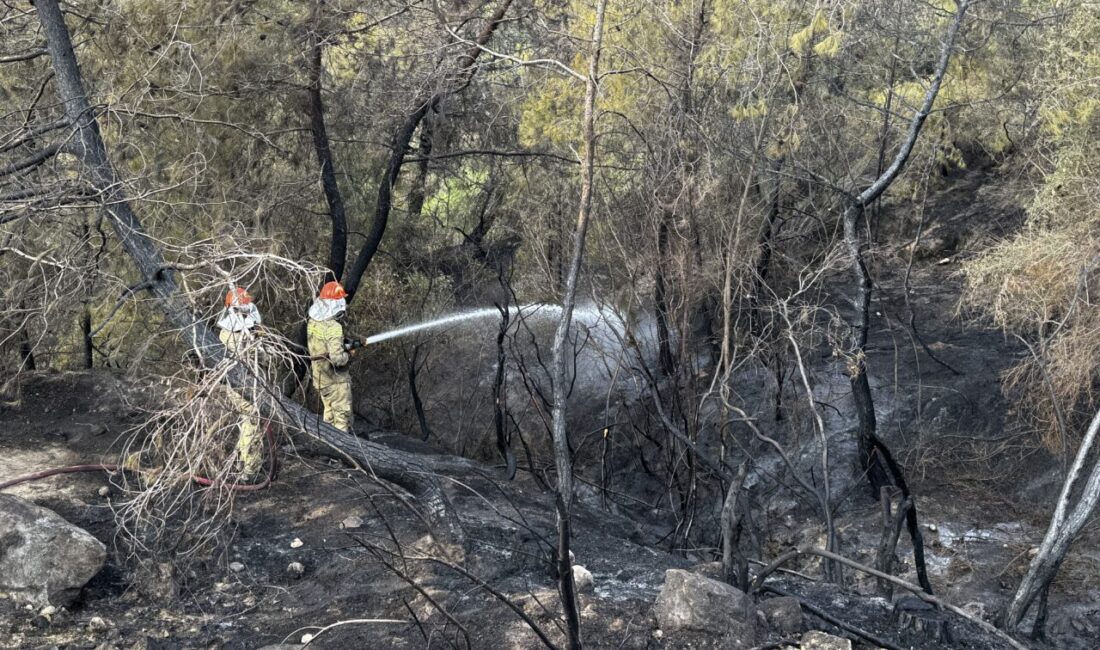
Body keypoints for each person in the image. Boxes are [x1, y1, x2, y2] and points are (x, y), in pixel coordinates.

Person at [216, 286, 264, 478]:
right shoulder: (242, 335)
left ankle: (240, 462)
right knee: (252, 423)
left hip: (235, 388)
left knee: (245, 423)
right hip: (245, 387)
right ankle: (250, 470)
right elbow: (258, 359)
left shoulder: (224, 333)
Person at [307, 280, 354, 432]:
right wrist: (349, 355)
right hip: (335, 382)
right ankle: (343, 453)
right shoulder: (334, 327)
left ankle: (329, 450)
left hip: (321, 379)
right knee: (341, 417)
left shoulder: (313, 322)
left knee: (329, 415)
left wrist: (343, 344)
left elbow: (322, 347)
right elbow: (337, 359)